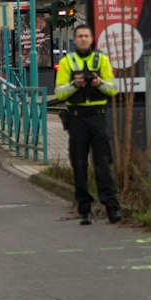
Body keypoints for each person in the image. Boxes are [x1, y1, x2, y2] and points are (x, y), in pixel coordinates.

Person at [52, 22, 121, 224]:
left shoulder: (102, 60)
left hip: (97, 116)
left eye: (86, 36)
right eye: (80, 36)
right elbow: (59, 92)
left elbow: (113, 89)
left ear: (92, 39)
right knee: (79, 164)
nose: (83, 39)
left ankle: (112, 207)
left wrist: (99, 83)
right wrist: (75, 84)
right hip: (77, 118)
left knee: (103, 164)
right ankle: (85, 210)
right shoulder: (67, 62)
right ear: (75, 40)